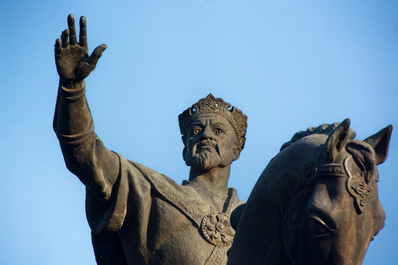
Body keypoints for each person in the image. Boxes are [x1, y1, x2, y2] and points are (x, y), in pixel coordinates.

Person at [53, 14, 248, 265]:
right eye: (196, 130)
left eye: (219, 131)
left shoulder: (255, 219)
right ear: (185, 148)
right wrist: (72, 88)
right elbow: (85, 155)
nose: (206, 135)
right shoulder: (148, 190)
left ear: (237, 150)